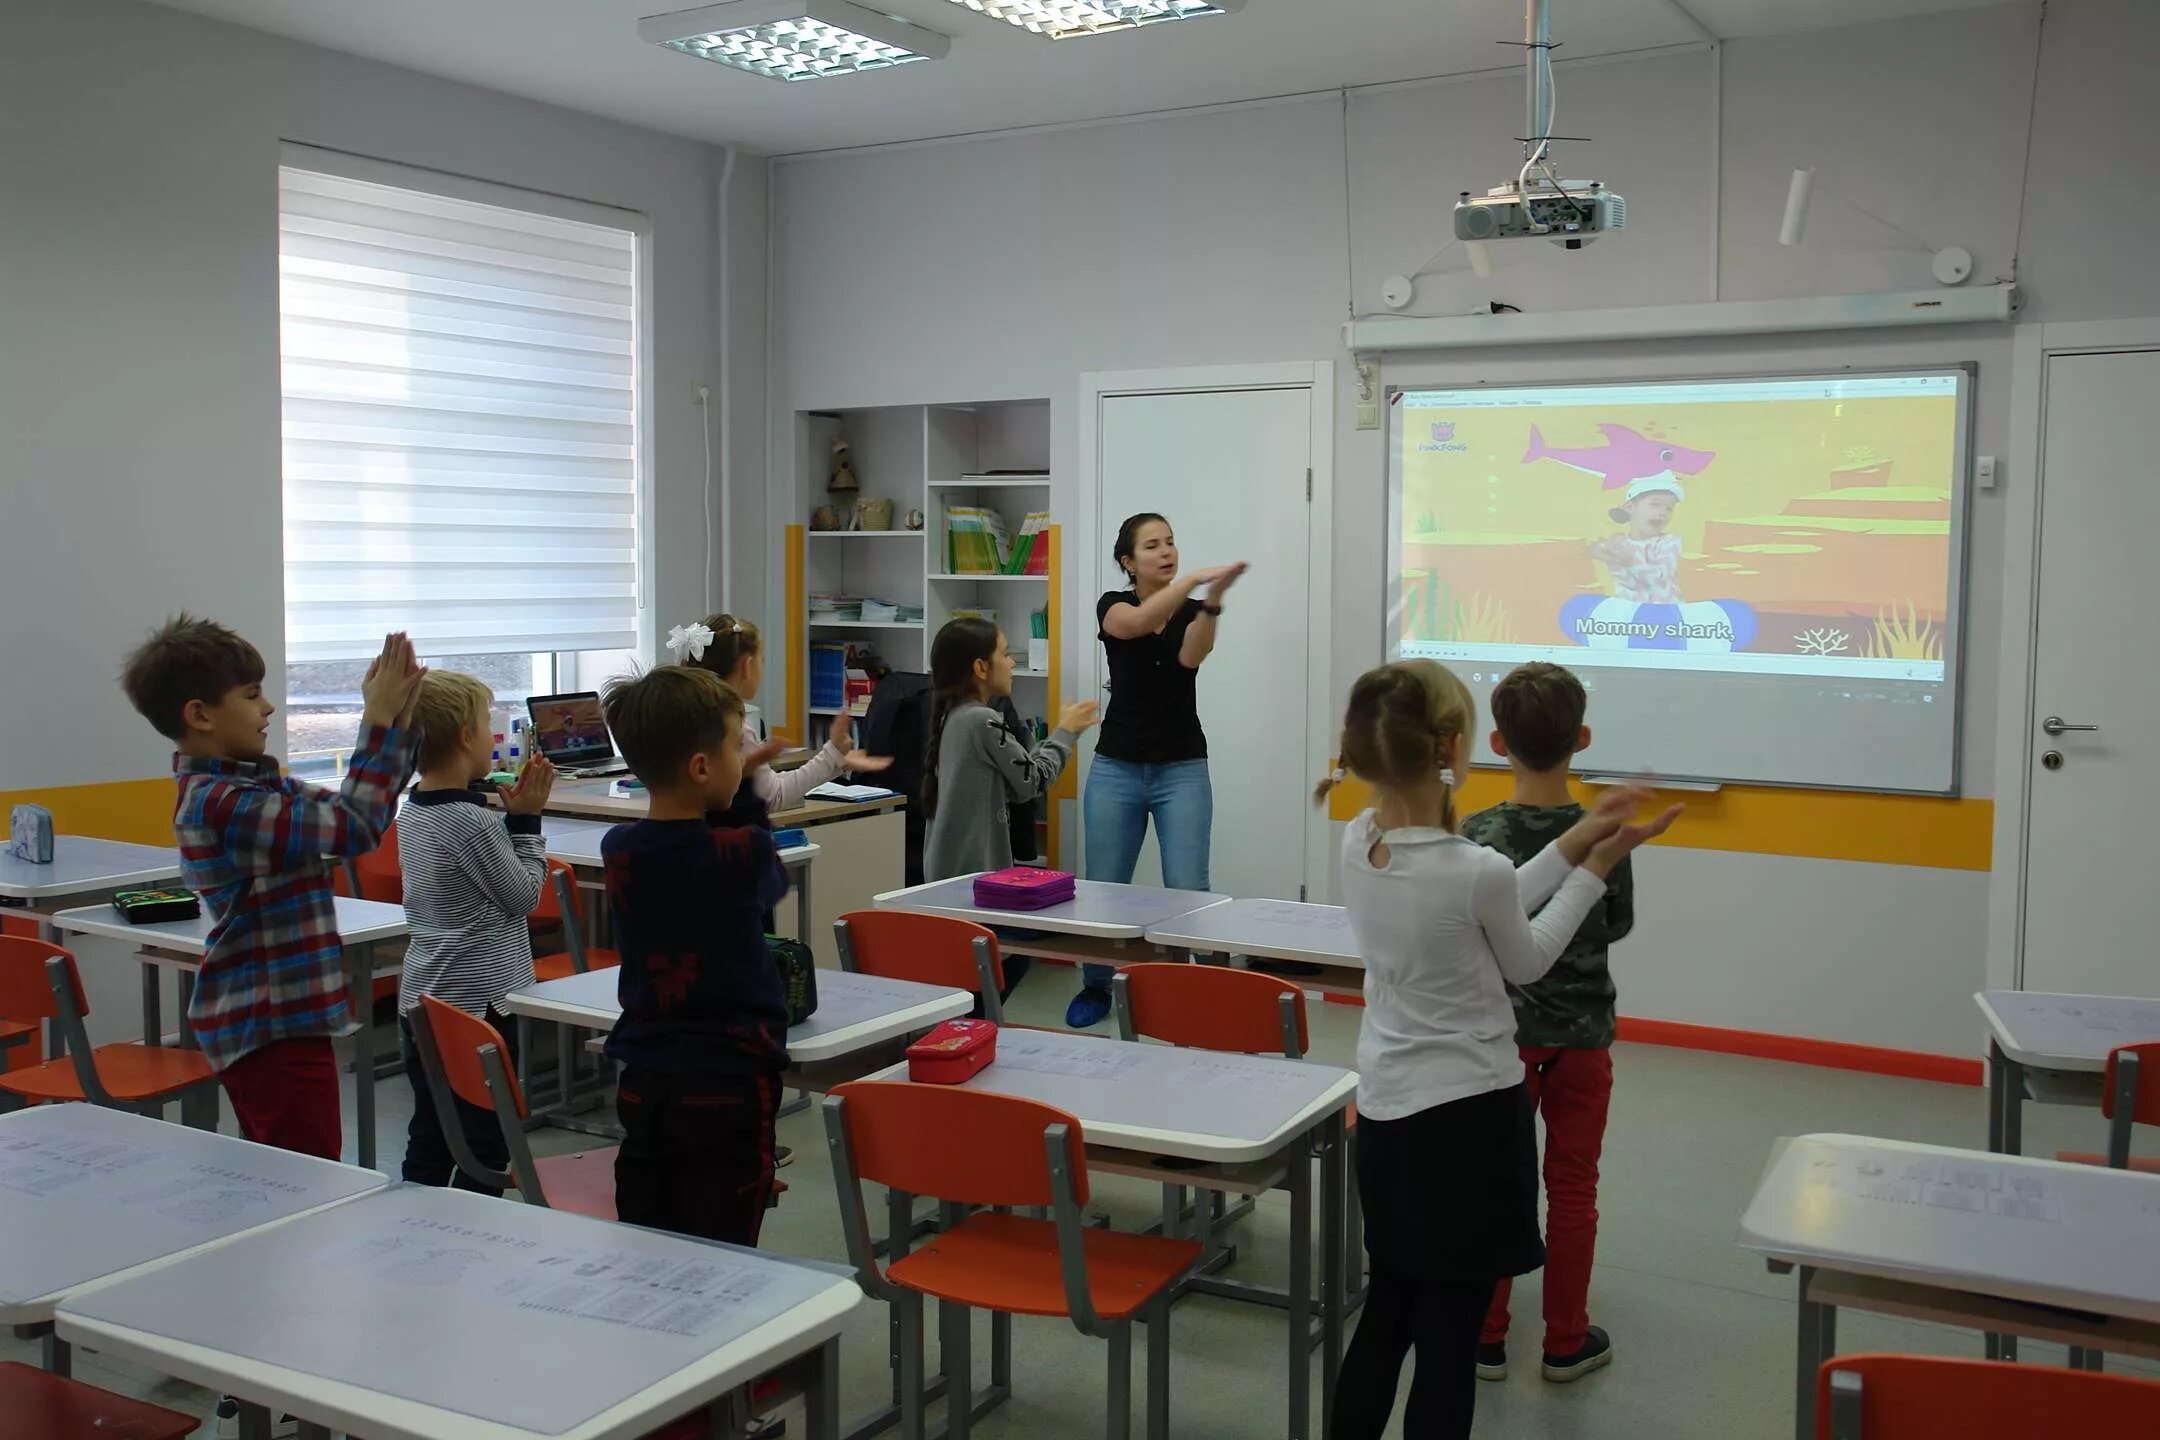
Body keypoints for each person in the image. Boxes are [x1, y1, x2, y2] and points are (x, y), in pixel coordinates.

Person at [1315, 660, 1677, 1440]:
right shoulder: (1471, 870)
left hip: (1385, 1114)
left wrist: (1578, 837)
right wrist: (1598, 863)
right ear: (1451, 747)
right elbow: (1529, 954)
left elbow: (1492, 890)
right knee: (1448, 1339)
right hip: (1469, 1126)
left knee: (1389, 1312)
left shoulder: (1359, 839)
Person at [119, 618, 423, 1160]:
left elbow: (356, 812)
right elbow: (355, 827)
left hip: (284, 1017)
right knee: (306, 1183)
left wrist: (396, 721)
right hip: (268, 1023)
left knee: (290, 1174)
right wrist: (376, 721)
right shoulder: (222, 801)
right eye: (252, 694)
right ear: (200, 714)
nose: (269, 708)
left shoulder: (252, 783)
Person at [1463, 662, 1633, 1384]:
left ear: (1497, 741)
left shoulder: (1478, 832)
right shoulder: (1601, 831)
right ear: (1583, 737)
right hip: (1583, 1042)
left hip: (1500, 1046)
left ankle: (1485, 1335)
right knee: (1573, 1186)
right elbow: (1615, 921)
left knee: (1493, 1186)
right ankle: (1565, 1339)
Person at [599, 664, 789, 1245]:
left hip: (646, 1070)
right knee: (725, 1233)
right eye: (737, 748)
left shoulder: (619, 847)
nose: (743, 760)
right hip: (728, 1072)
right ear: (702, 767)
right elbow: (770, 883)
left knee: (651, 1223)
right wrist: (744, 799)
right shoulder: (745, 849)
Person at [1067, 512, 1246, 1028]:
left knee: (1189, 886)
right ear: (1129, 561)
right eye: (1153, 546)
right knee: (1103, 886)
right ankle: (1096, 987)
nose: (1167, 552)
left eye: (1171, 542)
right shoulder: (1113, 605)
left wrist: (1210, 601)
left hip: (1182, 767)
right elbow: (1137, 625)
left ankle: (1190, 991)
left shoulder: (1191, 608)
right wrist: (1191, 581)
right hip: (1116, 767)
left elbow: (1193, 656)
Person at [396, 670, 557, 1194]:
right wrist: (528, 823)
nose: (493, 734)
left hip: (424, 998)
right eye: (487, 723)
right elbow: (523, 895)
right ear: (466, 736)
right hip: (478, 1008)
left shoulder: (414, 807)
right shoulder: (473, 821)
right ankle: (472, 1233)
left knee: (433, 1131)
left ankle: (415, 1221)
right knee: (485, 1145)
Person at [922, 617, 1098, 1005]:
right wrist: (1066, 732)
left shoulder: (956, 716)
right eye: (1005, 654)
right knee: (992, 977)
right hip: (971, 884)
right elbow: (1031, 782)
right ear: (980, 668)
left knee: (986, 977)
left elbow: (1010, 783)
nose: (1012, 663)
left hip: (951, 877)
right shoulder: (982, 719)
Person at [666, 612, 891, 831]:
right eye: (762, 661)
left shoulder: (684, 717)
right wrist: (832, 755)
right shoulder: (736, 729)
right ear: (747, 666)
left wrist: (835, 759)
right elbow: (774, 795)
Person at [1590, 476, 1686, 603]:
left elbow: (1658, 577)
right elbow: (1626, 582)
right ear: (1630, 507)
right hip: (1628, 613)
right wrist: (1606, 555)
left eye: (1669, 508)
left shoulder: (1670, 542)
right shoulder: (1618, 543)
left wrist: (1627, 559)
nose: (1663, 512)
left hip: (1665, 611)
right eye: (1655, 505)